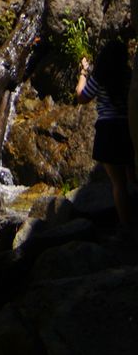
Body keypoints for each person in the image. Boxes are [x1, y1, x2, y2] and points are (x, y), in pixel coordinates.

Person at [77, 33, 135, 231]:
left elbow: (82, 97)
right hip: (129, 128)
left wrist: (83, 74)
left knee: (118, 184)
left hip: (108, 130)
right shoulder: (129, 75)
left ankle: (126, 227)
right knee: (133, 177)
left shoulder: (99, 77)